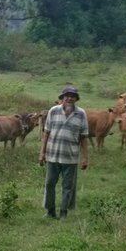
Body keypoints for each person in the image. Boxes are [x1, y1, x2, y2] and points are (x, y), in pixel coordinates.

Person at [39, 85, 89, 219]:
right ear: (62, 98)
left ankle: (64, 212)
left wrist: (85, 158)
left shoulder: (81, 114)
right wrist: (42, 153)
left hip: (71, 157)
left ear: (76, 99)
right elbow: (46, 133)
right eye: (67, 96)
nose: (69, 98)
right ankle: (50, 211)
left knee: (68, 187)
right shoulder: (53, 111)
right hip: (52, 155)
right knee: (49, 184)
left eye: (72, 96)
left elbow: (84, 137)